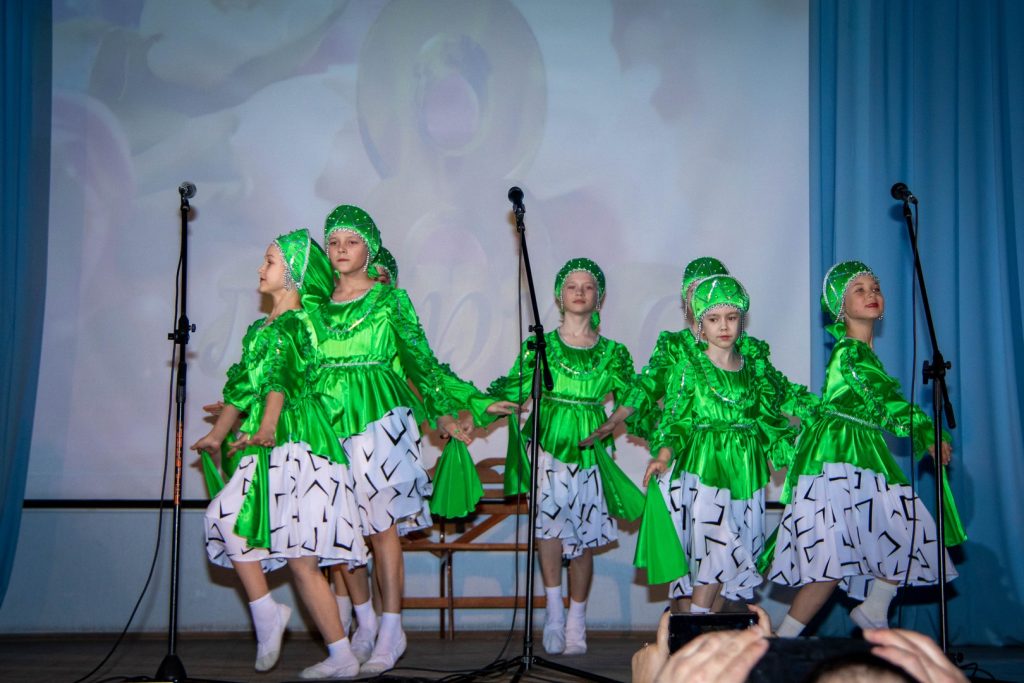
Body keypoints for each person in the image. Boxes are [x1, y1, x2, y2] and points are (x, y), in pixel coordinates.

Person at [307, 205, 515, 673]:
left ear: (369, 249)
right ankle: (363, 627)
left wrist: (457, 410)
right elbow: (295, 372)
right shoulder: (314, 309)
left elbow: (423, 364)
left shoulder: (390, 302)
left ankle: (391, 630)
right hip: (328, 424)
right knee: (342, 530)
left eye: (351, 241)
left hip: (379, 422)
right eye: (334, 242)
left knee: (382, 529)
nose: (341, 249)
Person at [191, 229, 368, 678]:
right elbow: (241, 388)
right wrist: (217, 435)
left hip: (300, 442)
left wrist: (267, 427)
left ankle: (341, 655)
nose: (260, 268)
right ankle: (268, 612)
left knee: (301, 559)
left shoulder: (294, 325)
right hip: (268, 443)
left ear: (293, 276)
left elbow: (279, 383)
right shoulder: (260, 329)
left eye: (269, 261)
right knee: (227, 519)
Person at [766, 261, 965, 637]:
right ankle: (781, 642)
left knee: (902, 531)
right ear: (840, 307)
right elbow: (882, 400)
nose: (871, 294)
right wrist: (924, 430)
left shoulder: (863, 352)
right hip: (837, 454)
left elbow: (880, 403)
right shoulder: (850, 353)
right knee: (836, 559)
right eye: (859, 289)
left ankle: (872, 608)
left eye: (875, 288)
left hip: (861, 450)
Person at [485, 258, 643, 656]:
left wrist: (613, 422)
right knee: (549, 533)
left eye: (588, 287)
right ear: (559, 296)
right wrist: (477, 410)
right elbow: (515, 387)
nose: (579, 292)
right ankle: (554, 613)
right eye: (572, 286)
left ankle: (577, 619)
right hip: (548, 447)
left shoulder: (613, 353)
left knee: (584, 539)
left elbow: (634, 397)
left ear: (599, 298)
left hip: (589, 451)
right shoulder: (541, 347)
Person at [639, 275, 796, 611]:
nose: (724, 326)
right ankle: (694, 625)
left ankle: (702, 629)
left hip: (745, 469)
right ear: (700, 323)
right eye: (713, 319)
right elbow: (676, 419)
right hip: (705, 466)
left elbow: (769, 419)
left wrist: (795, 455)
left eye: (731, 317)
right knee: (715, 546)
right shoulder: (690, 367)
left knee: (731, 557)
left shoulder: (753, 369)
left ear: (741, 320)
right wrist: (663, 456)